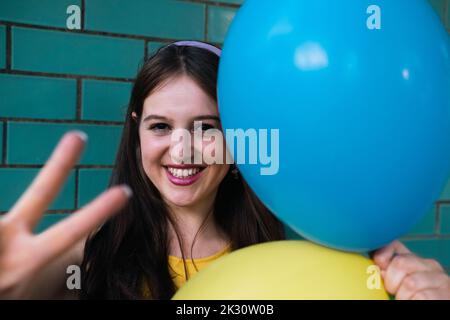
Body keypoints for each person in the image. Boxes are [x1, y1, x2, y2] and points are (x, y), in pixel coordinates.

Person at [0, 41, 449, 300]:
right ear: (136, 131)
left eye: (207, 128)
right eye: (161, 126)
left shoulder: (290, 258)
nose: (183, 149)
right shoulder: (90, 251)